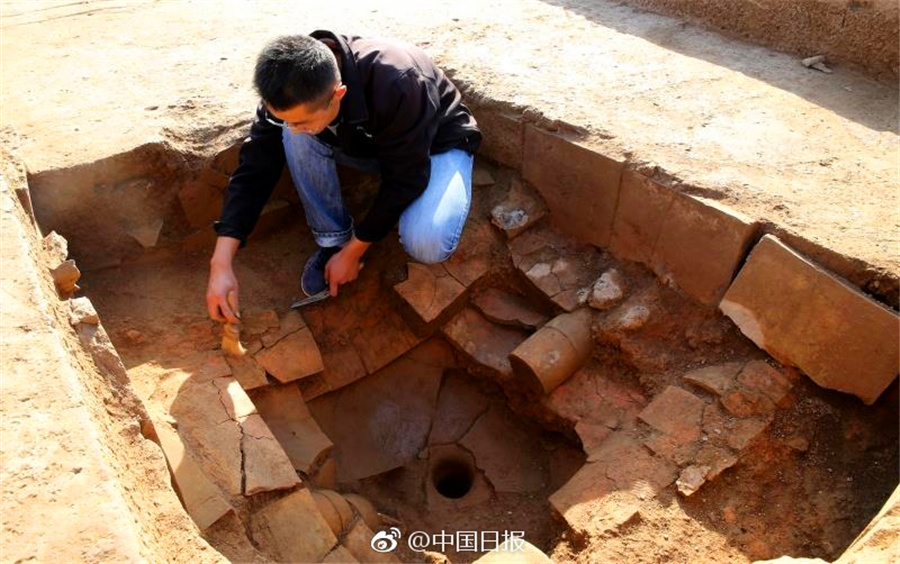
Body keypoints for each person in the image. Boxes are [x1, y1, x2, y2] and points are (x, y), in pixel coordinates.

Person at [206, 31, 481, 324]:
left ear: (339, 94)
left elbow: (407, 177)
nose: (295, 128)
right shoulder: (290, 87)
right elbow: (254, 170)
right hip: (366, 144)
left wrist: (355, 251)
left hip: (435, 145)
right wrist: (220, 263)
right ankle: (333, 240)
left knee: (428, 243)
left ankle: (350, 246)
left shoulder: (398, 80)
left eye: (303, 120)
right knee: (290, 133)